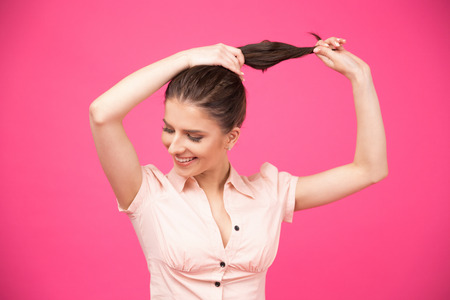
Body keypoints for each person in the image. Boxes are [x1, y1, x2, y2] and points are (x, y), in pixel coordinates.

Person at [89, 36, 388, 299]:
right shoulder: (147, 194)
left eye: (194, 136)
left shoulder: (270, 192)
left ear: (231, 137)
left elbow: (369, 170)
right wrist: (187, 58)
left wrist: (361, 77)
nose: (175, 146)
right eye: (169, 129)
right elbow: (102, 113)